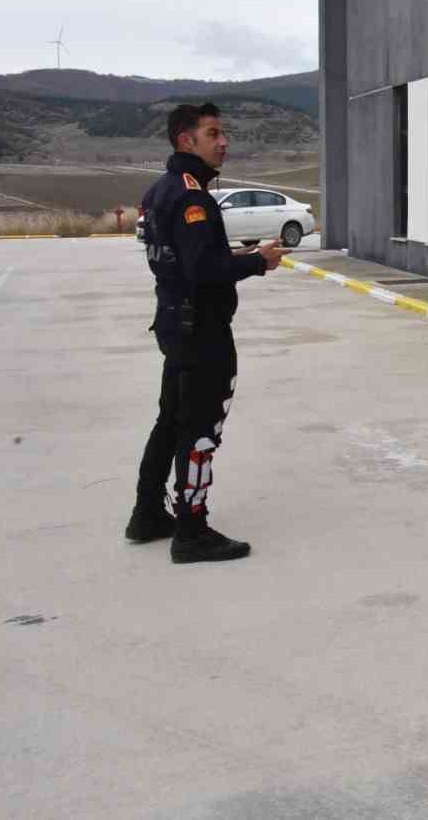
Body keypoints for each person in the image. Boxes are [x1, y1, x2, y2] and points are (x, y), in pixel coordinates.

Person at [127, 102, 286, 564]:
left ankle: (148, 514)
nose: (224, 141)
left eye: (223, 133)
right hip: (202, 332)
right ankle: (192, 530)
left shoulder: (162, 189)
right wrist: (258, 262)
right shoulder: (193, 196)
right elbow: (203, 268)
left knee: (170, 421)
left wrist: (238, 254)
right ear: (185, 140)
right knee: (200, 431)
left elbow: (182, 258)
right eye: (213, 133)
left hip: (175, 325)